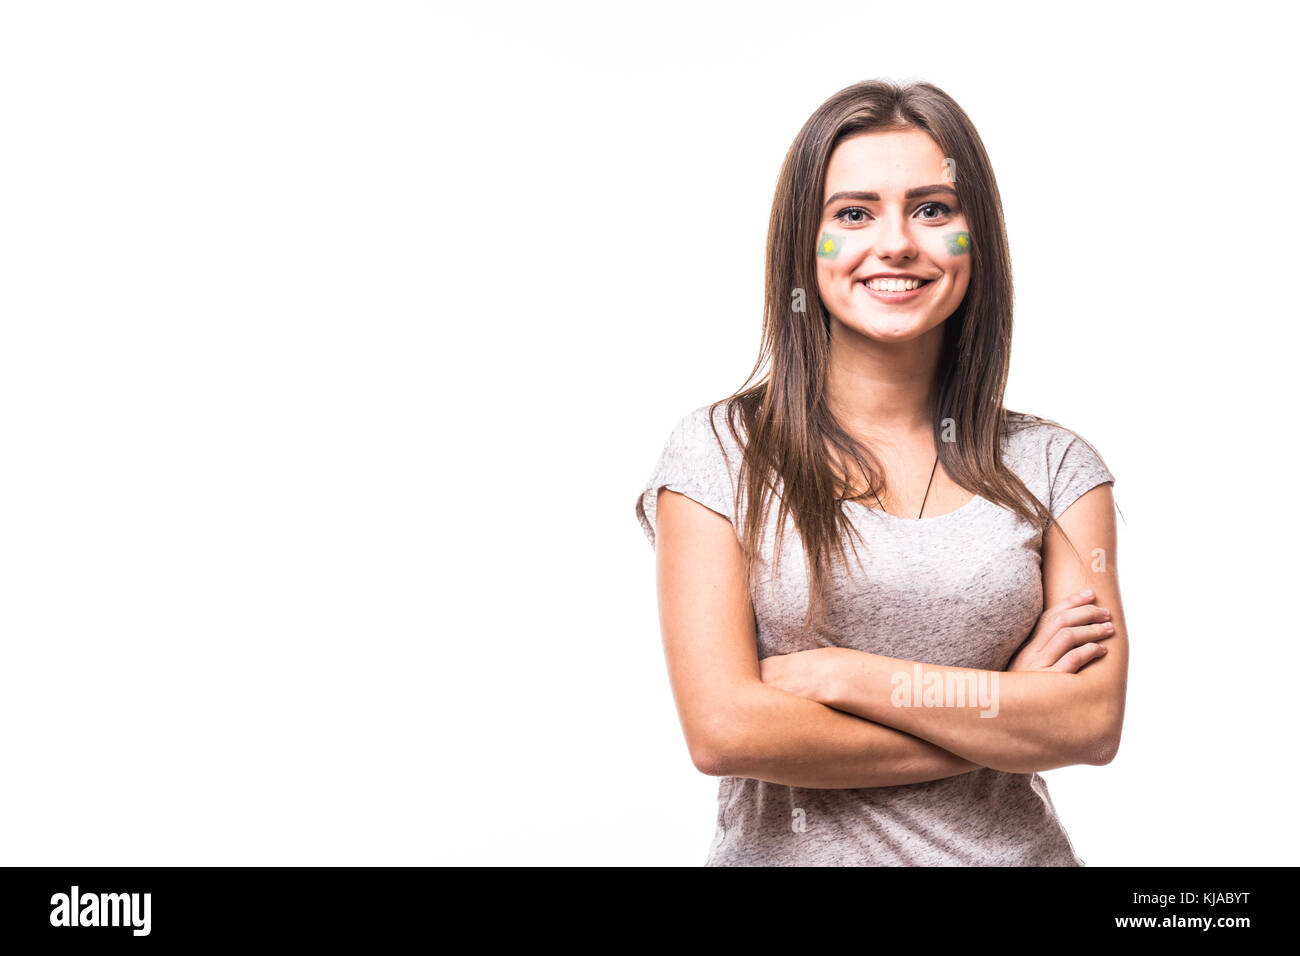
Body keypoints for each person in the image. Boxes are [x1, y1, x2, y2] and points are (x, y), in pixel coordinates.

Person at [633, 80, 1127, 866]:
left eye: (932, 209)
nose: (897, 242)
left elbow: (1090, 725)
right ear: (806, 243)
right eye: (854, 213)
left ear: (977, 237)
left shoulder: (1056, 467)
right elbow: (726, 731)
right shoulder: (719, 454)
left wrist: (843, 675)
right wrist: (1000, 714)